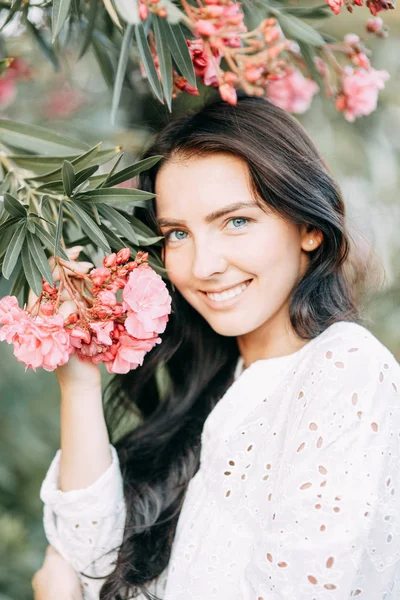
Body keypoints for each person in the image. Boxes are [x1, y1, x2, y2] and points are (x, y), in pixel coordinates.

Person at [33, 93, 400, 600]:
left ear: (309, 228)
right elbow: (95, 568)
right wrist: (77, 378)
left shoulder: (344, 370)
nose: (203, 265)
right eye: (178, 233)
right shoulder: (222, 381)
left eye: (236, 221)